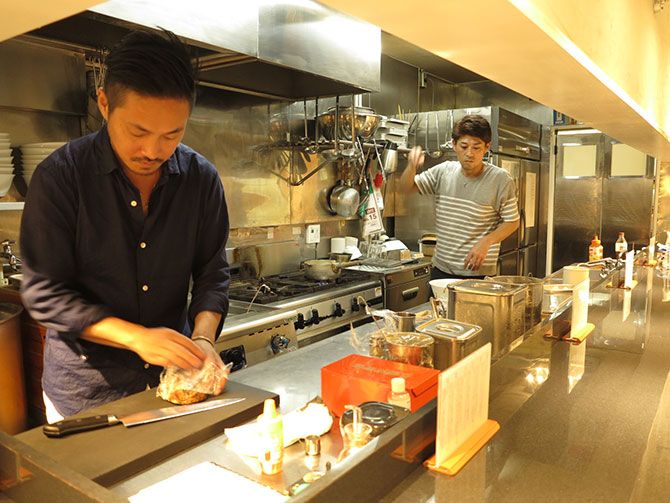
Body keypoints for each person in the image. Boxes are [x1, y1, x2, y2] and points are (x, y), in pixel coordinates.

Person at [20, 29, 230, 421]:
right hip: (86, 394)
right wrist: (136, 338)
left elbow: (212, 273)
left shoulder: (201, 180)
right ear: (104, 103)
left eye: (172, 134)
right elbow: (45, 293)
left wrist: (202, 338)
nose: (153, 151)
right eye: (138, 131)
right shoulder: (61, 177)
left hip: (174, 385)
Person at [399, 114, 519, 279]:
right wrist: (411, 166)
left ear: (487, 147)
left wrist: (486, 241)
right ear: (454, 144)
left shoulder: (500, 179)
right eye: (464, 146)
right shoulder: (443, 171)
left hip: (478, 274)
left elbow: (512, 221)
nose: (469, 153)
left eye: (476, 147)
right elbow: (406, 188)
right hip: (441, 270)